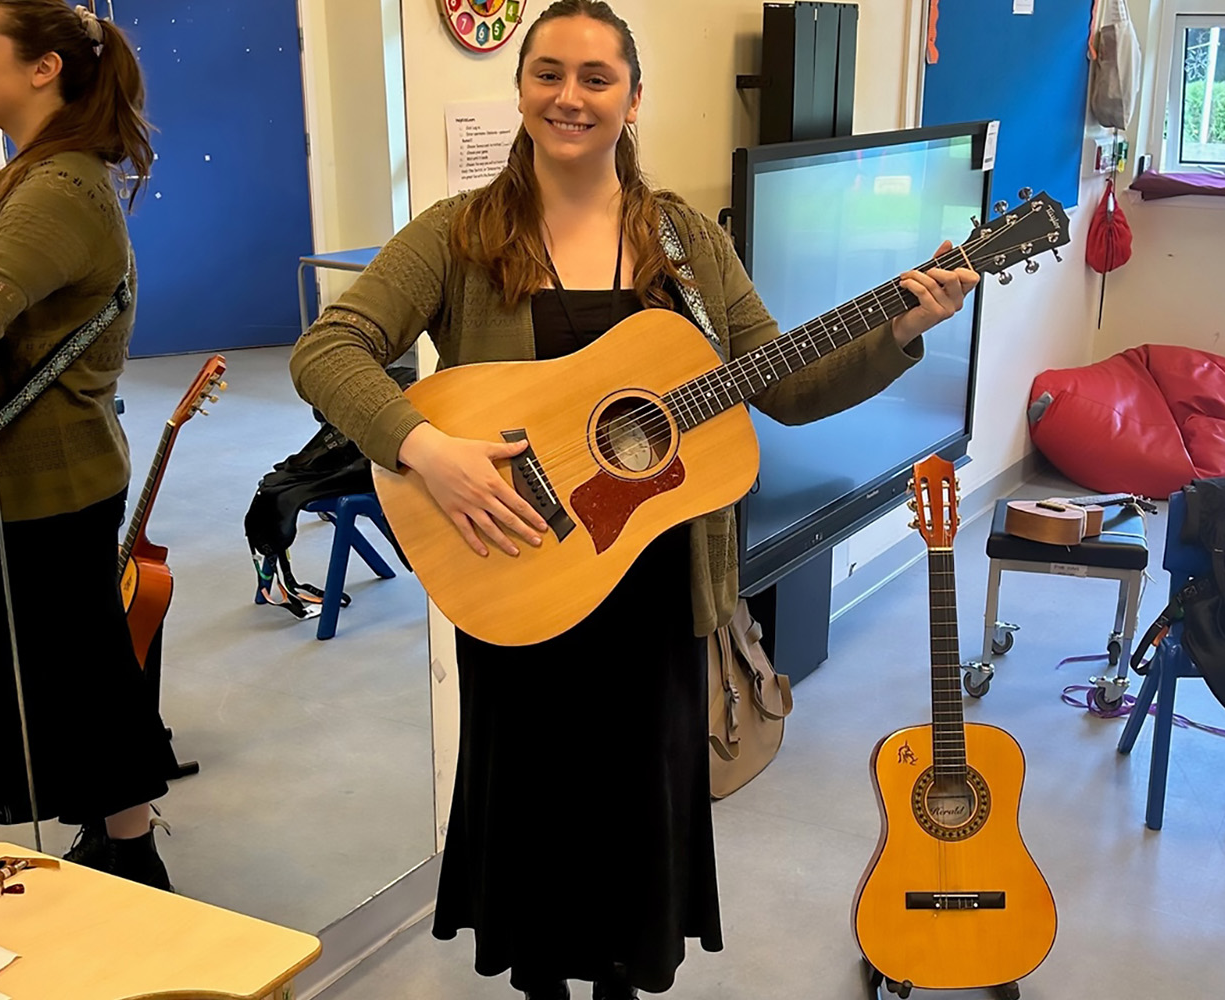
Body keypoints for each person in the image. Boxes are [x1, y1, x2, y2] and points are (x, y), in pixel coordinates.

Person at [289, 2, 979, 996]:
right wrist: (423, 446)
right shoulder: (456, 235)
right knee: (532, 809)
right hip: (517, 568)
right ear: (521, 88)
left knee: (638, 808)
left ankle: (619, 982)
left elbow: (777, 383)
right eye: (548, 73)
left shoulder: (686, 242)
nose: (569, 96)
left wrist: (894, 330)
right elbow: (327, 349)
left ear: (633, 98)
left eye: (596, 78)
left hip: (654, 589)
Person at [0, 0, 173, 890]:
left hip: (48, 483)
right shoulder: (39, 176)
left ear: (43, 69)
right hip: (23, 477)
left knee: (86, 681)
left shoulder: (59, 190)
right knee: (63, 675)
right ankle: (116, 838)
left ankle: (134, 858)